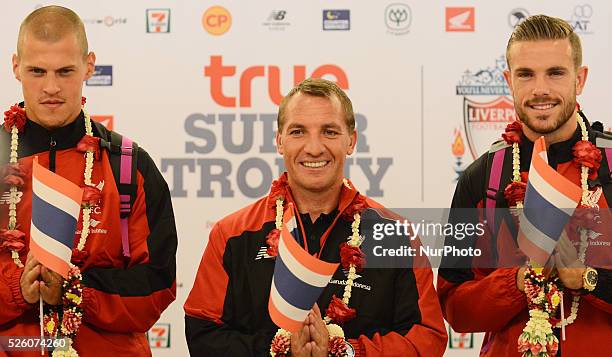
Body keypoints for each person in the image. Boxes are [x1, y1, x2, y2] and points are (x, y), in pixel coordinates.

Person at [184, 78, 447, 356]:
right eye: (298, 132)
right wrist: (276, 350)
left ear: (351, 141)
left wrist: (346, 351)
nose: (314, 147)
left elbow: (426, 338)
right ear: (279, 141)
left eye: (329, 132)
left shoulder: (396, 235)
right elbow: (203, 334)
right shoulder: (232, 234)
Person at [0, 6, 177, 356]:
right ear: (17, 66)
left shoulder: (129, 164)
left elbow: (157, 285)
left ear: (89, 65)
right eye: (37, 71)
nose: (51, 87)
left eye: (65, 71)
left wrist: (75, 289)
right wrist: (18, 288)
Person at [438, 15, 611, 356]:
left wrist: (588, 279)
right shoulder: (480, 177)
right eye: (526, 74)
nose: (540, 90)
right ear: (508, 81)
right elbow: (454, 306)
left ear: (580, 78)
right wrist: (516, 282)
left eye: (556, 73)